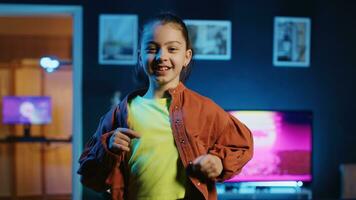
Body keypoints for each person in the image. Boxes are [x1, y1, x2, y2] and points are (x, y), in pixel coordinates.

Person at [78, 12, 253, 200]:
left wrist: (218, 162)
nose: (162, 56)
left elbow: (242, 145)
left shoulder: (205, 108)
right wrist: (109, 149)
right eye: (152, 49)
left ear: (186, 57)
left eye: (172, 49)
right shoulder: (119, 114)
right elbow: (89, 177)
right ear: (140, 56)